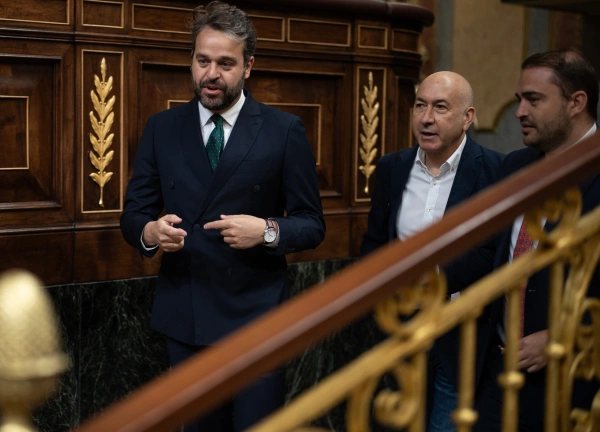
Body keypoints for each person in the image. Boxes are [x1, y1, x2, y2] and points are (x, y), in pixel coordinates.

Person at [119, 1, 325, 430]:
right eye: (203, 61)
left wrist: (266, 231)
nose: (211, 74)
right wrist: (152, 232)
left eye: (225, 64)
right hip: (188, 314)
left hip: (257, 318)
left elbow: (311, 223)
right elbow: (134, 214)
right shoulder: (162, 128)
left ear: (248, 66)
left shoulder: (283, 130)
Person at [361, 71, 503, 432]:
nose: (426, 118)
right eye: (420, 106)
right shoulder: (392, 168)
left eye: (440, 107)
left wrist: (434, 277)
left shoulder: (495, 170)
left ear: (467, 117)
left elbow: (494, 252)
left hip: (461, 333)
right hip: (401, 330)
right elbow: (375, 244)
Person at [474, 48, 600, 432]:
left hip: (575, 381)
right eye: (519, 99)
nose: (519, 112)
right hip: (497, 373)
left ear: (576, 103)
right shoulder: (516, 165)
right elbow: (492, 252)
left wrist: (564, 338)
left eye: (533, 100)